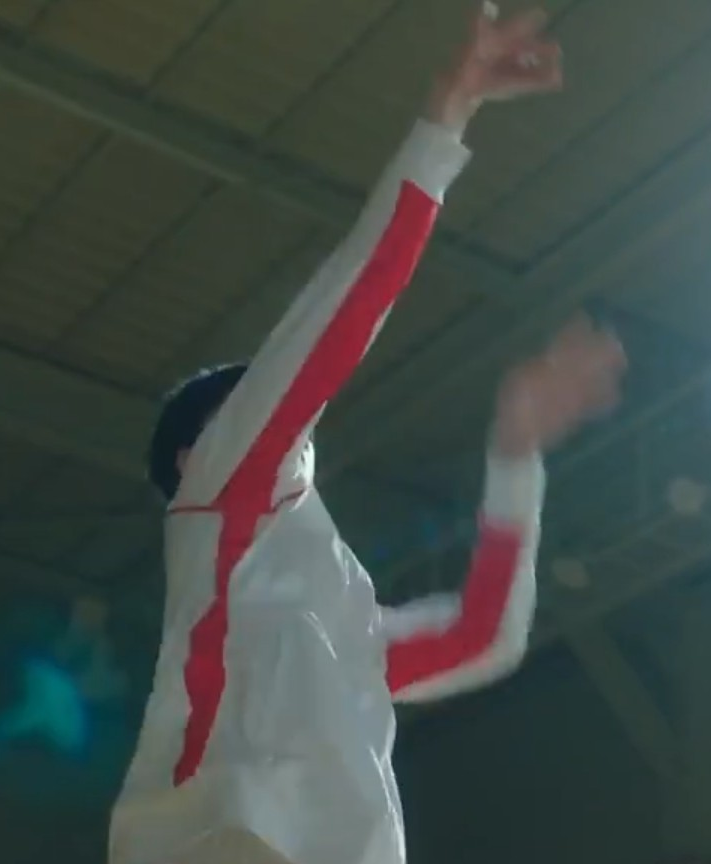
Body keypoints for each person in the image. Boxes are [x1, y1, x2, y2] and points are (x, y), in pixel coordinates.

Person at [109, 6, 626, 864]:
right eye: (250, 405)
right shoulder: (221, 497)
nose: (282, 415)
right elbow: (349, 303)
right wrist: (446, 116)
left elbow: (483, 635)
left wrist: (515, 455)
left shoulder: (341, 628)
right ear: (194, 457)